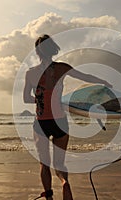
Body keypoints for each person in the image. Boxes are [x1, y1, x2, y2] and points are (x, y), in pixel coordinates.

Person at [23, 34, 111, 200]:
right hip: (60, 122)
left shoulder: (31, 73)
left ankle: (49, 197)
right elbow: (86, 77)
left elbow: (26, 98)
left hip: (41, 122)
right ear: (53, 49)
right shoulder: (62, 68)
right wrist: (104, 82)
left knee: (44, 163)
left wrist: (40, 98)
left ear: (37, 52)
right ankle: (64, 182)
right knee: (59, 163)